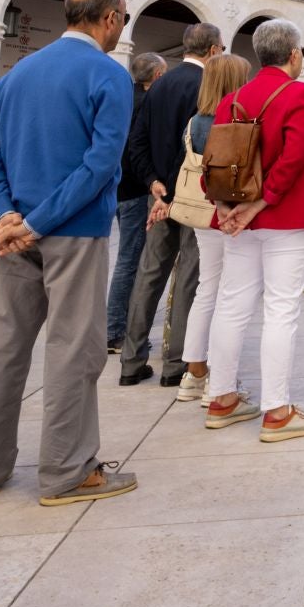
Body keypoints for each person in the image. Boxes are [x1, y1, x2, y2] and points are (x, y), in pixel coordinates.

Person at [0, 0, 137, 507]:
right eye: (124, 21)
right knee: (74, 351)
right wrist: (36, 223)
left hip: (15, 236)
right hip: (72, 232)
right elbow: (100, 164)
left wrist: (5, 216)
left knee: (5, 349)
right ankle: (67, 471)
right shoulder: (109, 74)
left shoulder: (16, 75)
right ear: (109, 19)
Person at [201, 19, 304, 442]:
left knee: (232, 304)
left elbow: (213, 163)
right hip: (284, 217)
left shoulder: (234, 98)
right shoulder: (299, 94)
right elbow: (294, 159)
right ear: (294, 55)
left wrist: (227, 208)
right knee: (280, 310)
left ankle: (221, 397)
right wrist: (259, 203)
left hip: (239, 221)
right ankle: (277, 409)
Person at [122, 24, 222, 390]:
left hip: (159, 194)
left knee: (149, 274)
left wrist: (154, 185)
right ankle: (175, 363)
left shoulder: (159, 83)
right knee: (189, 277)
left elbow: (137, 140)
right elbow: (194, 148)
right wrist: (175, 194)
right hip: (191, 197)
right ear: (213, 50)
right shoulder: (206, 87)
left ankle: (131, 362)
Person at [177, 53, 252, 400]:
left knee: (206, 289)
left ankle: (193, 372)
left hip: (200, 213)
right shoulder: (234, 118)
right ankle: (219, 383)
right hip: (227, 212)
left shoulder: (194, 122)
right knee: (229, 295)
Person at [107, 52, 165, 354]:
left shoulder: (123, 98)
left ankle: (118, 325)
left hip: (119, 188)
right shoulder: (146, 104)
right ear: (155, 77)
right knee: (130, 261)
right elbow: (138, 149)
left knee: (129, 259)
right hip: (134, 190)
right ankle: (114, 330)